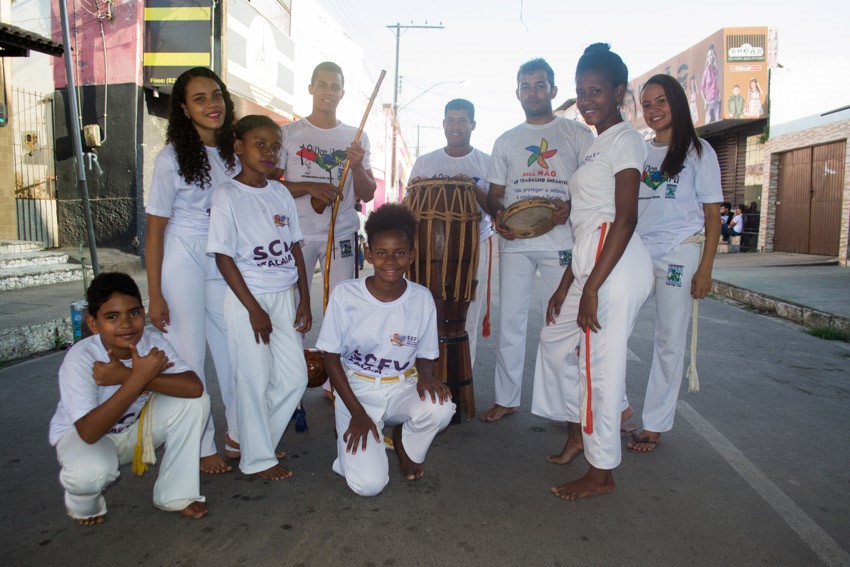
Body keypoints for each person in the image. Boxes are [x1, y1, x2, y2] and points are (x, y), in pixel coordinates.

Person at [544, 43, 653, 500]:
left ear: (618, 92)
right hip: (591, 257)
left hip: (615, 262)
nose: (586, 100)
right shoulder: (595, 144)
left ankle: (601, 471)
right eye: (581, 91)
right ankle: (581, 429)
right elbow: (583, 224)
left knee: (600, 369)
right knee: (555, 342)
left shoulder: (626, 139)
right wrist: (567, 283)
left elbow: (625, 218)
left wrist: (591, 287)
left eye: (596, 91)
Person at [481, 58, 594, 422]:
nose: (533, 92)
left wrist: (569, 207)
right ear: (517, 93)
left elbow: (595, 186)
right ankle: (506, 398)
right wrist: (499, 217)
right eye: (526, 86)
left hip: (562, 243)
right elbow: (495, 195)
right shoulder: (506, 140)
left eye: (540, 85)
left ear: (553, 90)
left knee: (561, 326)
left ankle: (567, 407)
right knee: (510, 323)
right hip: (516, 243)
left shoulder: (577, 135)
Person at [49, 272, 210, 525]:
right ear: (93, 323)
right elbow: (89, 433)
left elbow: (194, 388)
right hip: (85, 438)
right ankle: (84, 505)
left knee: (195, 402)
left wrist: (126, 376)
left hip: (133, 431)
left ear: (143, 313)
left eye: (133, 313)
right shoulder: (82, 358)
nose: (126, 324)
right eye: (112, 317)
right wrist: (137, 379)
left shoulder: (151, 343)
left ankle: (175, 494)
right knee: (89, 475)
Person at [316, 204, 455, 496]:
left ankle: (405, 445)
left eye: (399, 253)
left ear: (411, 255)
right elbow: (331, 358)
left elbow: (427, 352)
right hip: (356, 391)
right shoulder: (345, 295)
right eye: (381, 253)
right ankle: (354, 448)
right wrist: (357, 413)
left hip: (400, 387)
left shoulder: (421, 298)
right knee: (369, 486)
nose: (390, 261)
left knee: (440, 407)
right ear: (368, 253)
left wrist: (426, 377)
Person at [207, 115, 311, 481]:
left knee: (295, 378)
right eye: (260, 144)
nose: (269, 152)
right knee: (253, 378)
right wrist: (253, 308)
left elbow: (295, 248)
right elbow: (223, 257)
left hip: (284, 295)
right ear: (239, 147)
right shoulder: (227, 194)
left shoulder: (280, 193)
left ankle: (253, 441)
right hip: (248, 299)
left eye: (275, 146)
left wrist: (304, 299)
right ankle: (257, 459)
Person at [145, 67, 238, 474]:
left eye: (215, 95)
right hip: (183, 255)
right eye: (199, 99)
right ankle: (200, 445)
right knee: (189, 356)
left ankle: (241, 434)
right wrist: (155, 294)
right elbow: (154, 231)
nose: (211, 105)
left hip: (223, 257)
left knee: (234, 350)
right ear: (183, 109)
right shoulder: (170, 159)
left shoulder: (235, 152)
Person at [626, 74, 723, 454]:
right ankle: (617, 407)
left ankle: (654, 424)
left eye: (661, 101)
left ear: (677, 103)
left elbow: (713, 216)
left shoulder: (700, 152)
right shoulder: (640, 152)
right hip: (637, 251)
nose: (653, 110)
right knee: (610, 326)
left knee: (669, 338)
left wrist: (706, 270)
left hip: (679, 252)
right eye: (647, 105)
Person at [275, 61, 377, 395]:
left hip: (341, 233)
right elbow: (270, 185)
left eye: (335, 86)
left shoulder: (356, 137)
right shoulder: (290, 134)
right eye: (322, 85)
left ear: (342, 93)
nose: (328, 92)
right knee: (294, 306)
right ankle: (291, 381)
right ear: (311, 88)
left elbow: (367, 193)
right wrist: (309, 186)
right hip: (297, 235)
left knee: (341, 306)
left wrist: (357, 164)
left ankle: (336, 383)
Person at [408, 98, 493, 369]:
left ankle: (462, 375)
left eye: (462, 120)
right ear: (443, 124)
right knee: (426, 311)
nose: (456, 126)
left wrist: (471, 188)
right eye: (450, 120)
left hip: (475, 245)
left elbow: (495, 208)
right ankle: (425, 374)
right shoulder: (425, 162)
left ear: (473, 124)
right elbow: (409, 206)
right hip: (429, 249)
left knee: (468, 316)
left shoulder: (487, 162)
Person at [700, 44, 721, 124]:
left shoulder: (716, 69)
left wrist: (719, 94)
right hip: (709, 102)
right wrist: (705, 101)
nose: (710, 57)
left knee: (717, 123)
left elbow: (717, 84)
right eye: (709, 55)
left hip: (717, 100)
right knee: (707, 123)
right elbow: (701, 88)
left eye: (712, 55)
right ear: (707, 57)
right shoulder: (706, 72)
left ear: (714, 56)